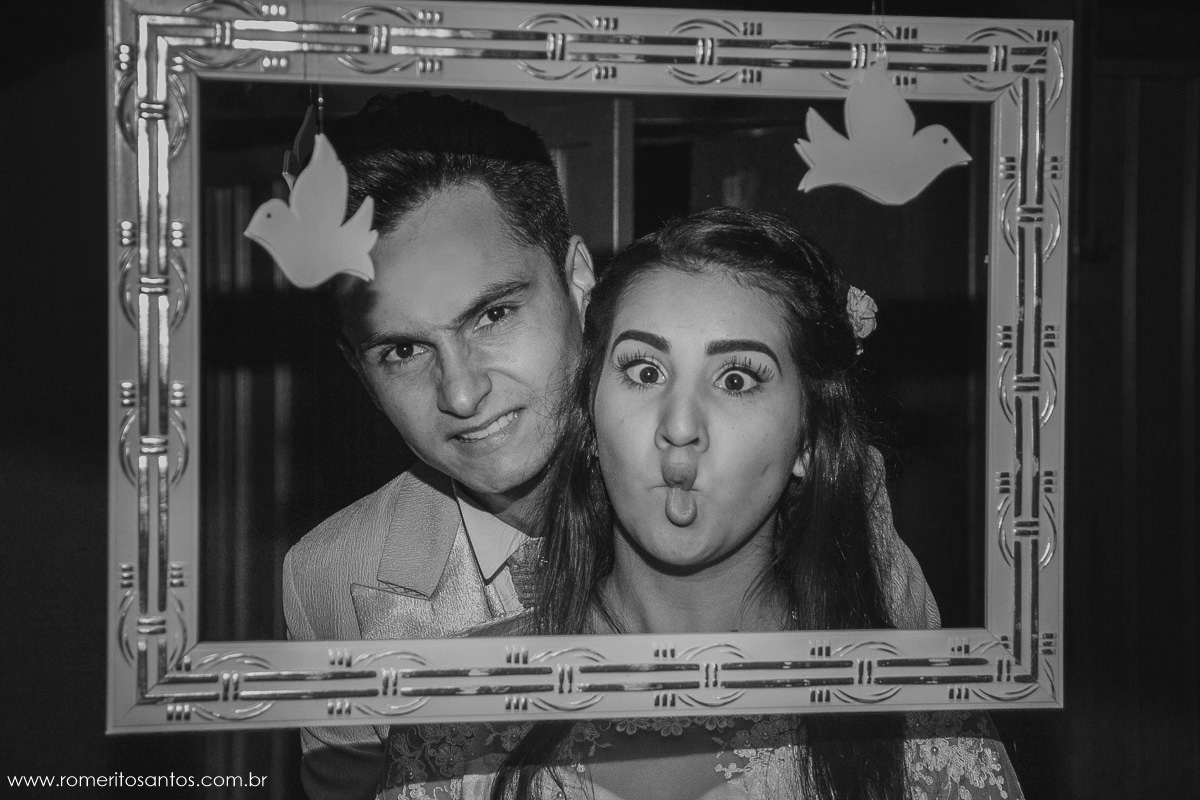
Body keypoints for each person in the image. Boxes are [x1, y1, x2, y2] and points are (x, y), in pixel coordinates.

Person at [278, 93, 939, 800]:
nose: (462, 394)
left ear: (577, 279)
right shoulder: (332, 580)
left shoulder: (815, 490)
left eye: (494, 314)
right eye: (403, 350)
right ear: (357, 368)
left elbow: (915, 742)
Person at [376, 208, 1021, 800]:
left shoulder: (917, 720)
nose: (680, 426)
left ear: (808, 440)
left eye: (736, 379)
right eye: (645, 372)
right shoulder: (460, 712)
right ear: (591, 415)